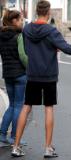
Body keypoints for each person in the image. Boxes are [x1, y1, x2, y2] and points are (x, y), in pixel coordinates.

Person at [11, 0, 71, 158]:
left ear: (37, 11)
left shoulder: (26, 29)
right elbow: (67, 48)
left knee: (26, 107)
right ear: (48, 13)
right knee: (48, 107)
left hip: (32, 74)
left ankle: (15, 146)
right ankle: (48, 148)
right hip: (48, 75)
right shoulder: (51, 31)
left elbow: (27, 49)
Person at [0, 10, 27, 145]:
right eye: (20, 20)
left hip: (8, 75)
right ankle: (14, 137)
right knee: (18, 106)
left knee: (11, 105)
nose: (22, 22)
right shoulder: (18, 36)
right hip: (20, 75)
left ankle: (2, 134)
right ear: (14, 21)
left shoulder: (1, 35)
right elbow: (23, 56)